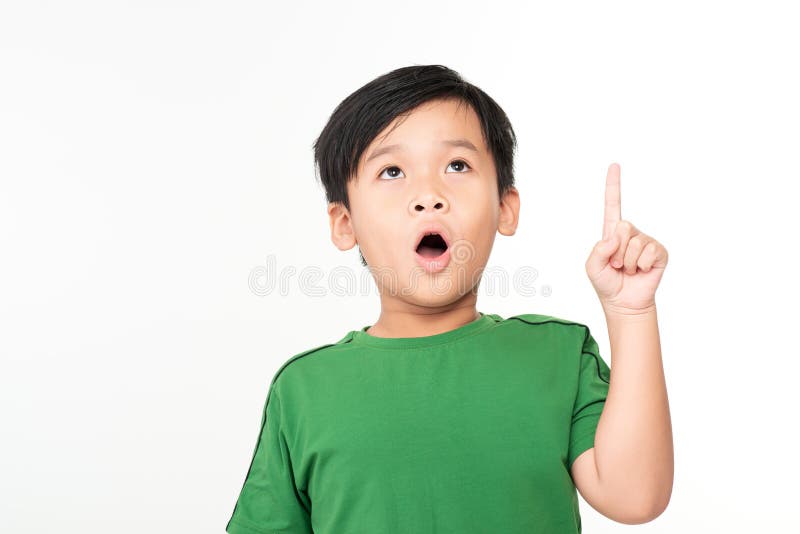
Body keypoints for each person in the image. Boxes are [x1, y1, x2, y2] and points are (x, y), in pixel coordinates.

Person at [225, 64, 673, 533]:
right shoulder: (304, 389)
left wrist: (631, 311)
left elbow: (636, 496)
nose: (428, 196)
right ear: (345, 223)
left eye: (457, 166)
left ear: (505, 207)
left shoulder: (558, 356)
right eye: (392, 171)